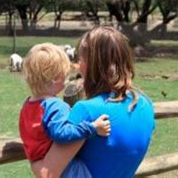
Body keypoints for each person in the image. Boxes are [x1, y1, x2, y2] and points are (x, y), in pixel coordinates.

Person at [31, 27, 156, 178]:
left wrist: (30, 150)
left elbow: (47, 173)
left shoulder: (86, 110)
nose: (78, 66)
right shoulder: (145, 105)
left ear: (93, 64)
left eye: (81, 59)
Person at [19, 43, 111, 178]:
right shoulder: (55, 106)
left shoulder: (28, 105)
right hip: (66, 168)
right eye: (65, 75)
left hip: (41, 162)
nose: (66, 79)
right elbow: (62, 133)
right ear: (55, 78)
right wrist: (93, 127)